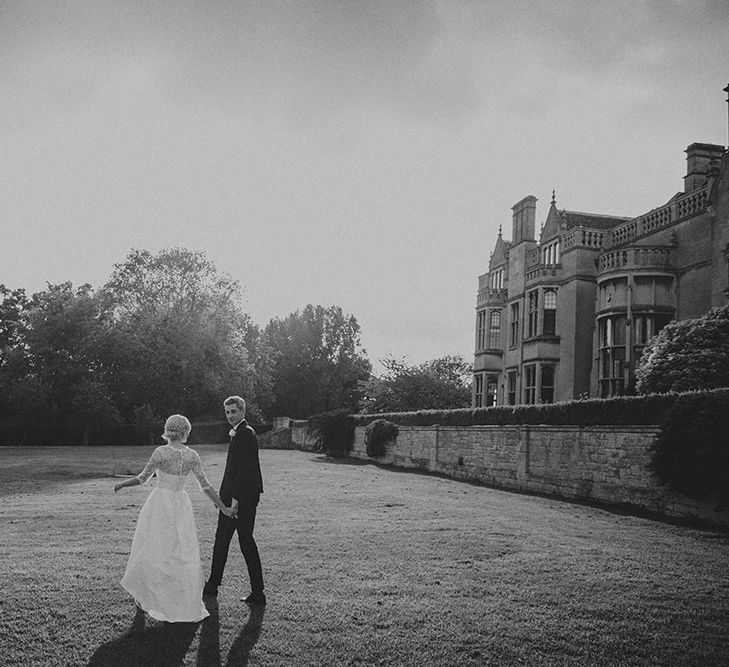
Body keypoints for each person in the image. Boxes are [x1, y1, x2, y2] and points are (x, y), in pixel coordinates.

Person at [114, 414, 236, 623]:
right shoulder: (192, 456)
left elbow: (143, 478)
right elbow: (205, 485)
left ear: (168, 430)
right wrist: (223, 507)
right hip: (180, 504)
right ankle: (173, 593)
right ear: (185, 432)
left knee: (152, 546)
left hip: (159, 503)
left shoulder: (160, 452)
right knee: (180, 550)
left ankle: (146, 594)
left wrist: (122, 484)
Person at [203, 395, 265, 605]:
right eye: (227, 412)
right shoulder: (240, 433)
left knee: (237, 541)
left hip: (240, 499)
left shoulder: (245, 434)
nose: (230, 416)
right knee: (230, 540)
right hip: (237, 497)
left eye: (233, 412)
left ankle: (215, 586)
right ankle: (215, 585)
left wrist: (234, 502)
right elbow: (234, 470)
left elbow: (244, 472)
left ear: (242, 411)